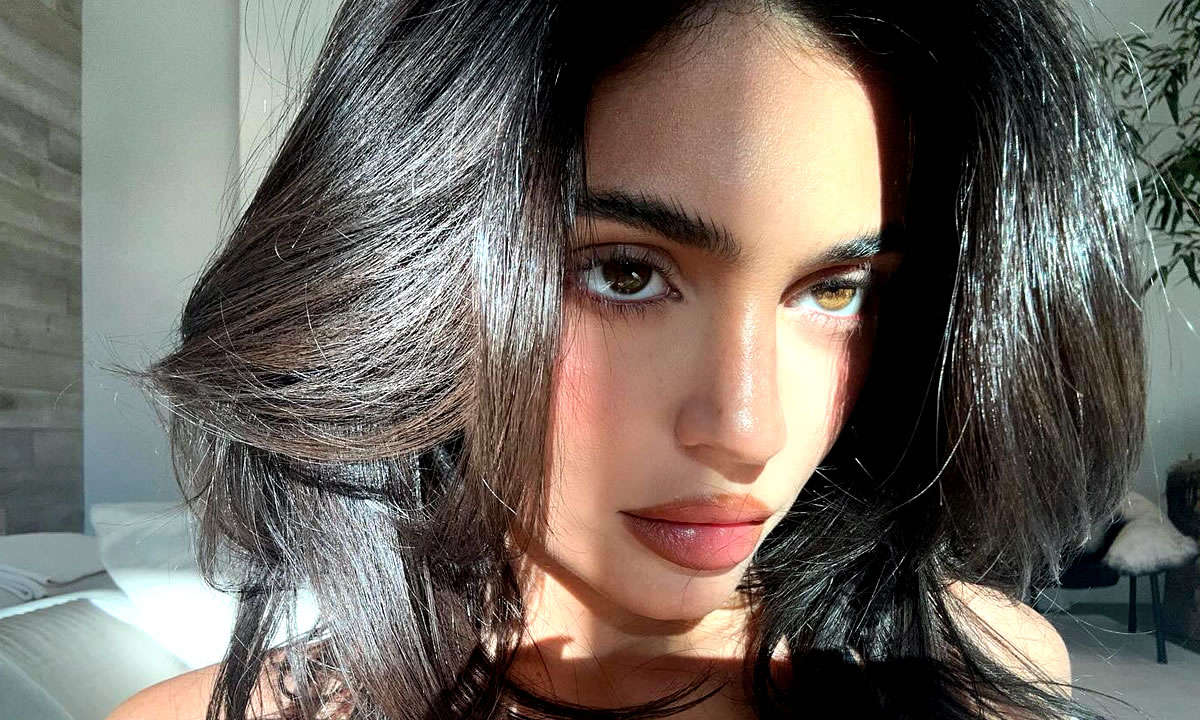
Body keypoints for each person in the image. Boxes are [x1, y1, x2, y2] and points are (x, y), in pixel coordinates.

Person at [108, 0, 1146, 718]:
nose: (746, 430)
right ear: (413, 280)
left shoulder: (974, 676)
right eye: (625, 273)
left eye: (837, 290)